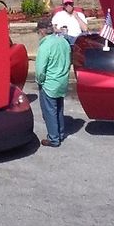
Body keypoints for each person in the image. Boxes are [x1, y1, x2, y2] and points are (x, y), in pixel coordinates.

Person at [34, 18, 71, 147]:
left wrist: (40, 81)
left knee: (49, 111)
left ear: (42, 31)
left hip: (49, 83)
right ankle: (60, 133)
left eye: (39, 31)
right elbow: (69, 60)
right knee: (59, 109)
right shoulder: (64, 42)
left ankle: (54, 138)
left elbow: (40, 69)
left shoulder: (45, 46)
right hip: (62, 81)